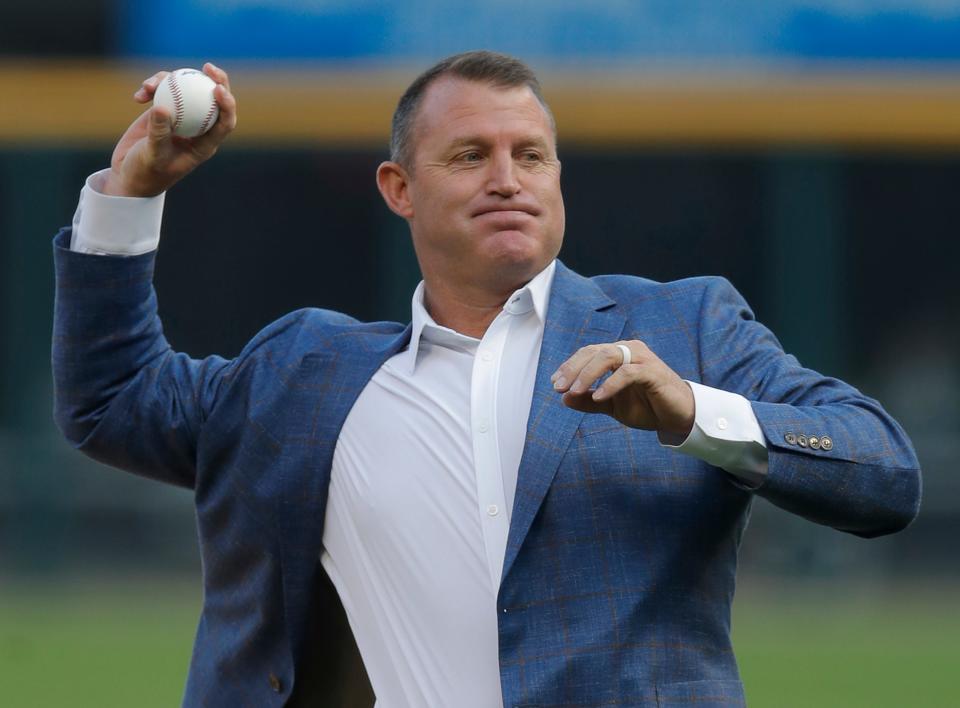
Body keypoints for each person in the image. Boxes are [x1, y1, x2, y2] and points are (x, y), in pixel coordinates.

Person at [53, 51, 921, 708]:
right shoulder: (307, 373)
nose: (508, 179)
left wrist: (695, 412)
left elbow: (883, 472)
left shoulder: (679, 330)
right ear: (399, 188)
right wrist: (130, 194)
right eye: (470, 155)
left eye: (531, 156)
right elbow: (111, 401)